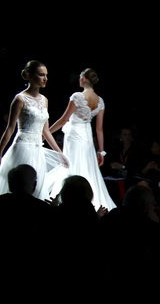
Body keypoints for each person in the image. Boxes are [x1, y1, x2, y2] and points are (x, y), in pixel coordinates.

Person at [0, 60, 69, 200]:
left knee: (36, 188)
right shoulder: (20, 99)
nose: (45, 78)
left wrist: (60, 153)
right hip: (22, 147)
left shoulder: (44, 100)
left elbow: (46, 131)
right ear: (29, 75)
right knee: (20, 187)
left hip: (38, 150)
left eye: (46, 75)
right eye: (41, 75)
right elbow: (10, 128)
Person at [48, 68, 116, 212]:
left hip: (74, 136)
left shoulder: (78, 96)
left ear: (84, 79)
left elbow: (63, 120)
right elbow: (99, 129)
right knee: (86, 167)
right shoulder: (100, 101)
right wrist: (101, 151)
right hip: (87, 138)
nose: (78, 80)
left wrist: (46, 133)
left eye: (80, 77)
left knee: (71, 166)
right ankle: (85, 200)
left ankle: (68, 200)